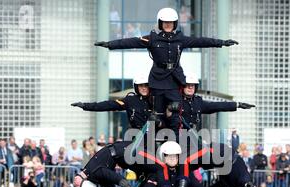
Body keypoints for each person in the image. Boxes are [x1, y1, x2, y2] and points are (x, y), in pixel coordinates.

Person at [94, 7, 238, 123]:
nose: (168, 24)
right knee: (157, 115)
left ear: (175, 24)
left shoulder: (180, 39)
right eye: (165, 22)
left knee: (175, 112)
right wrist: (109, 45)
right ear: (161, 23)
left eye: (170, 22)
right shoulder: (152, 38)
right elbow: (130, 41)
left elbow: (201, 41)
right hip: (158, 79)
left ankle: (175, 144)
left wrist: (221, 42)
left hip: (174, 79)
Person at [72, 73, 165, 131]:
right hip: (137, 138)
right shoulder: (130, 100)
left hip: (156, 136)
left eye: (146, 85)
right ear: (137, 87)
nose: (144, 88)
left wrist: (159, 123)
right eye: (141, 85)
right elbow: (108, 105)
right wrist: (85, 105)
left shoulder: (157, 100)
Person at [178, 73, 254, 131]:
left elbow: (217, 105)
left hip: (194, 136)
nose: (190, 87)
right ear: (182, 87)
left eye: (193, 85)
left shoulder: (198, 101)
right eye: (188, 85)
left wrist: (237, 105)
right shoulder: (177, 101)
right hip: (179, 136)